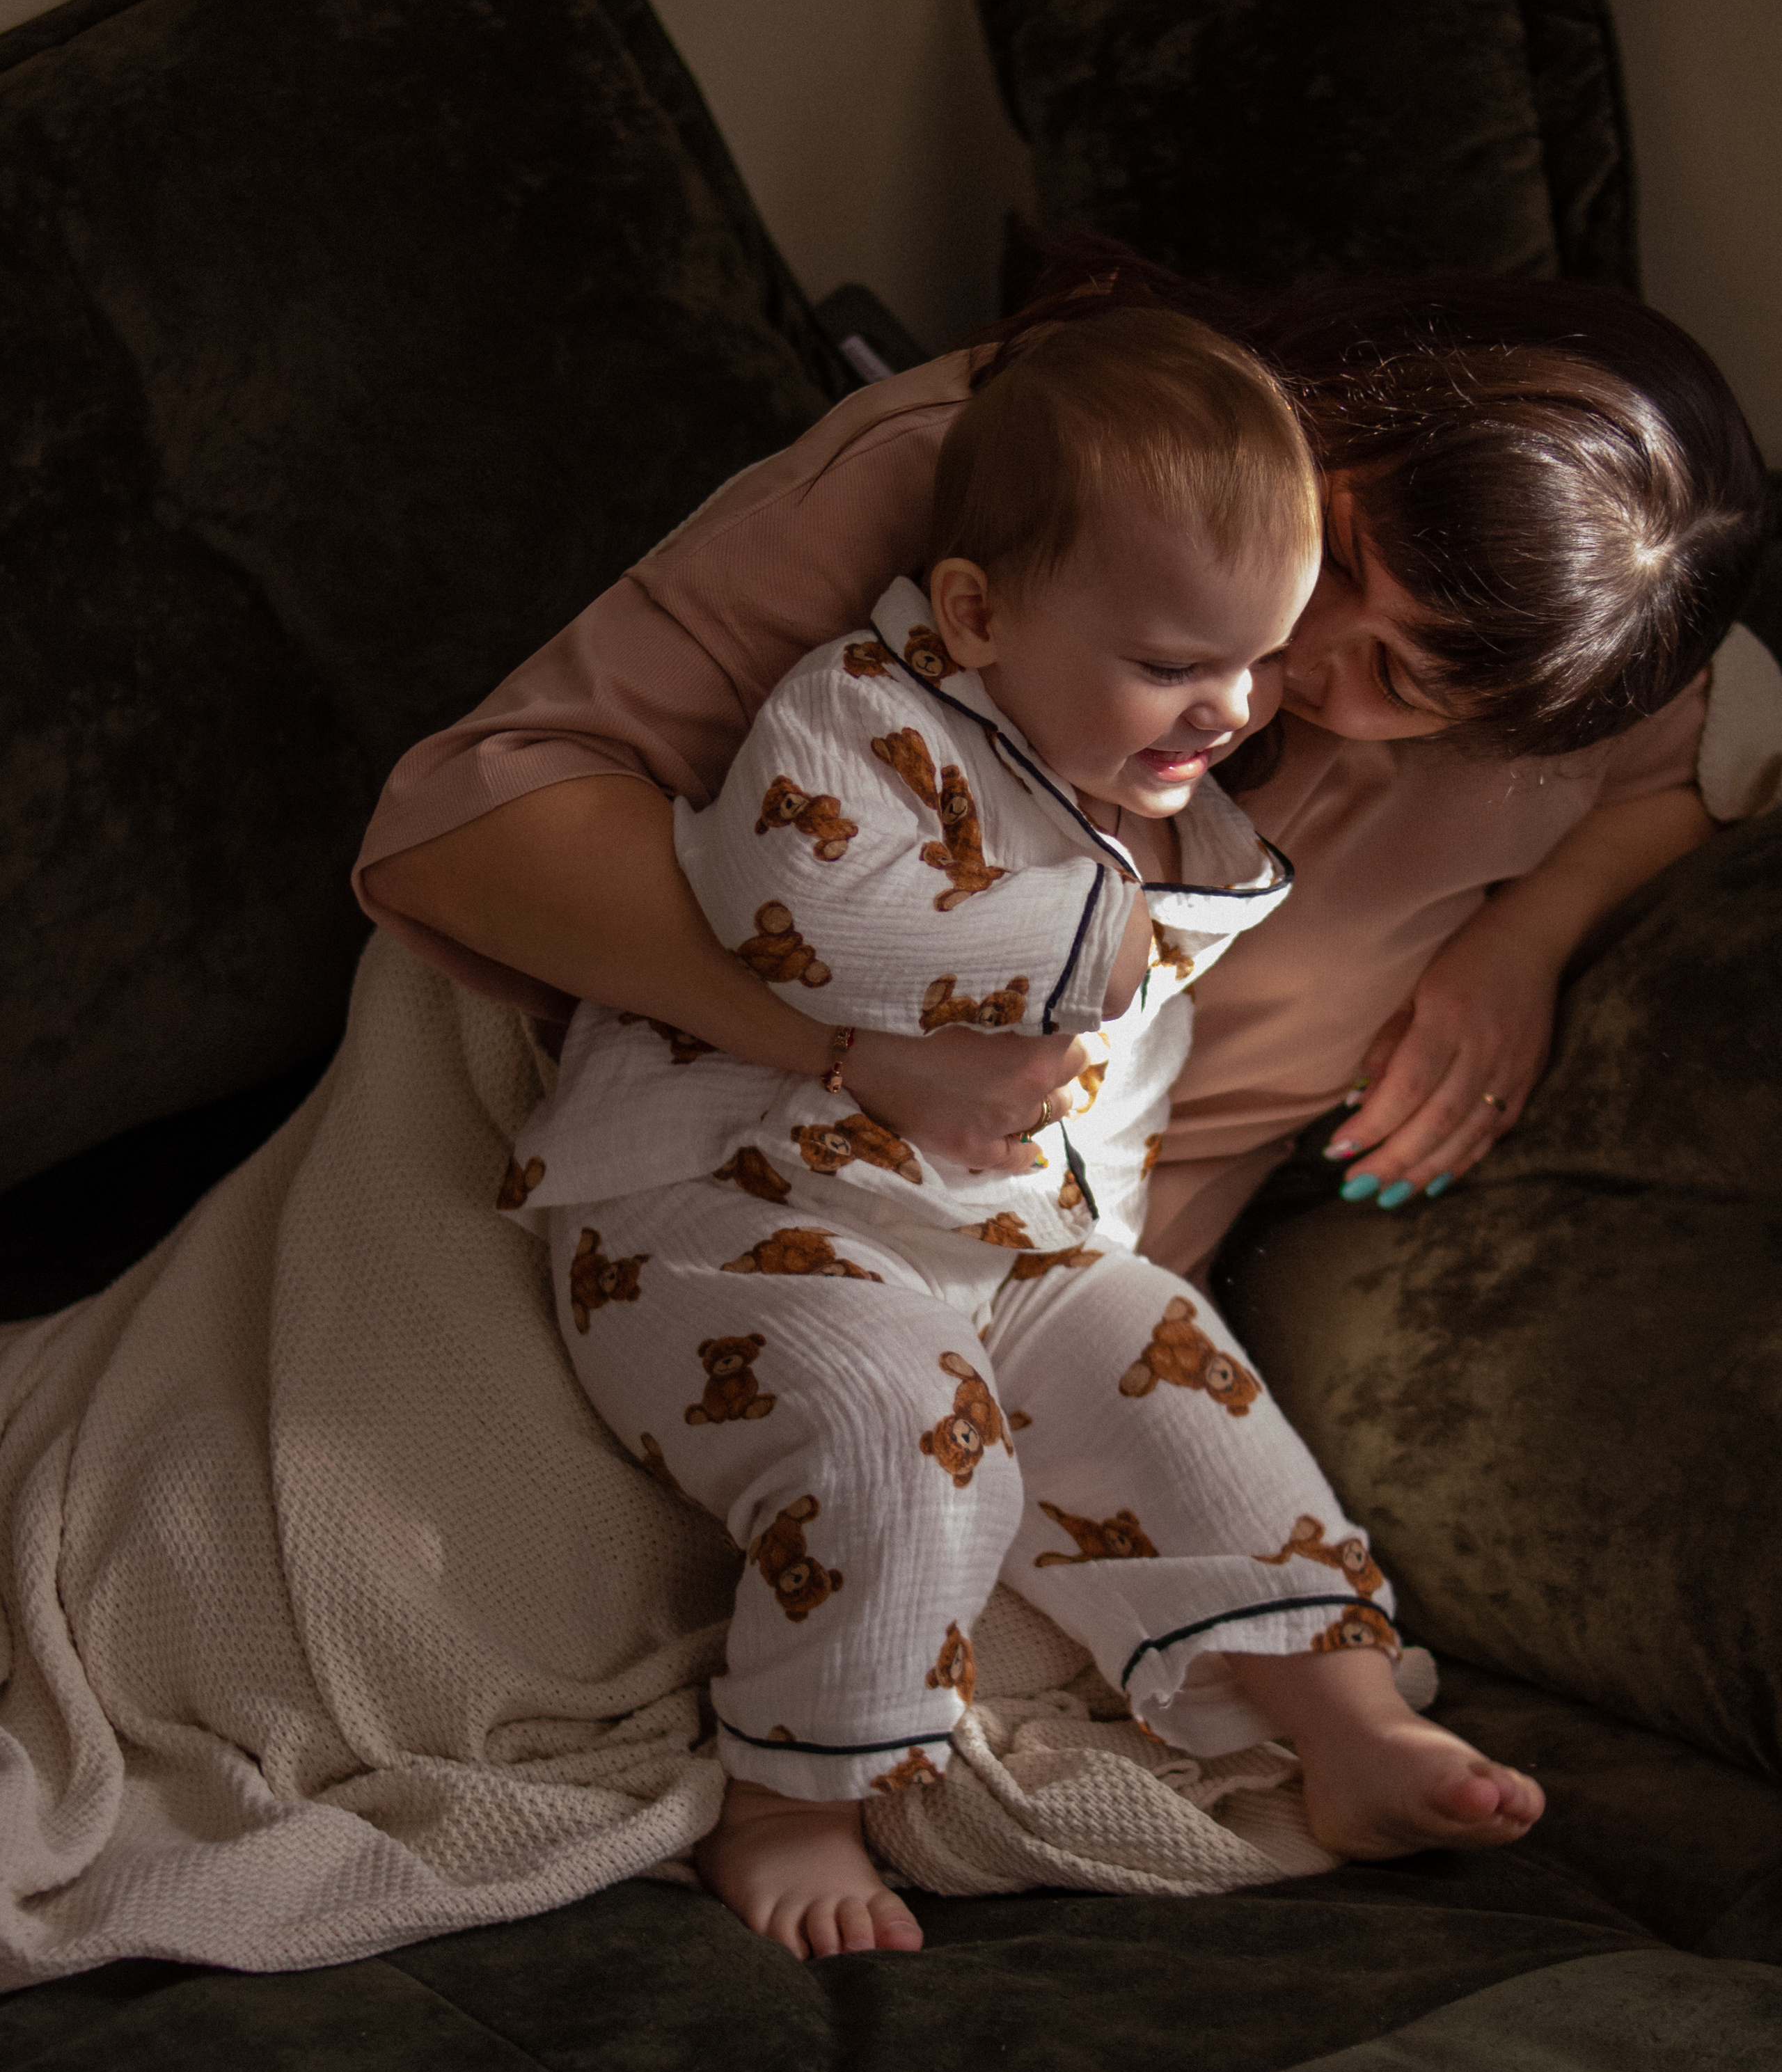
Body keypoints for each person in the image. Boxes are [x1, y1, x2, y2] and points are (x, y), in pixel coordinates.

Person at [498, 308, 1545, 1960]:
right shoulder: (860, 717)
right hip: (729, 1208)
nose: (1230, 709)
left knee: (1177, 1373)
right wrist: (1083, 939)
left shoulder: (1156, 798)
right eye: (1170, 665)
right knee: (896, 1436)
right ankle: (793, 1797)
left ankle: (1341, 1720)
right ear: (977, 613)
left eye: (1255, 662)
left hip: (1004, 1246)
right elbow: (792, 912)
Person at [356, 252, 1765, 1282]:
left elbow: (1675, 767)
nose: (1288, 653)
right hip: (709, 1150)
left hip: (1058, 1284)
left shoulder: (1570, 656)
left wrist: (1522, 939)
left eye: (1403, 679)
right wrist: (862, 1053)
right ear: (1354, 396)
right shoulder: (1012, 468)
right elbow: (461, 827)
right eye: (1334, 554)